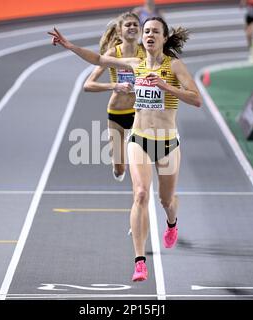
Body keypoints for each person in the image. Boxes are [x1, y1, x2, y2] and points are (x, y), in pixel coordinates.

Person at [49, 16, 202, 282]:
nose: (149, 35)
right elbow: (98, 60)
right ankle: (140, 262)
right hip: (139, 138)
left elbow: (196, 99)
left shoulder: (174, 66)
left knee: (166, 200)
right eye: (146, 31)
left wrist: (166, 87)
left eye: (155, 31)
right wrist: (70, 46)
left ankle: (172, 222)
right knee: (141, 194)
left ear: (164, 38)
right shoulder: (135, 63)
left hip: (167, 142)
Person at [83, 12, 145, 182]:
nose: (132, 27)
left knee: (138, 160)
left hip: (140, 112)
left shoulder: (146, 53)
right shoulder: (113, 53)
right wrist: (115, 86)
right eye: (128, 25)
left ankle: (141, 191)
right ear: (119, 31)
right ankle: (117, 167)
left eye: (135, 24)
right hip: (117, 112)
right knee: (119, 168)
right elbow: (88, 85)